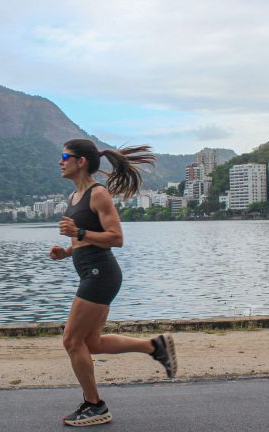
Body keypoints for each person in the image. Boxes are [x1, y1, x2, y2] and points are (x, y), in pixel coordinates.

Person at [49, 138, 178, 427]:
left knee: (71, 340)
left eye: (64, 155)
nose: (60, 161)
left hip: (101, 273)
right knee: (90, 342)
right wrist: (66, 251)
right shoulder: (73, 198)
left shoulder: (98, 194)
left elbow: (115, 238)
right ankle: (155, 346)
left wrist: (79, 232)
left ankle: (95, 405)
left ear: (81, 161)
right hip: (90, 272)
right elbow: (84, 240)